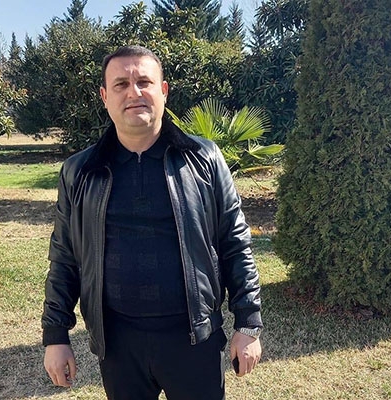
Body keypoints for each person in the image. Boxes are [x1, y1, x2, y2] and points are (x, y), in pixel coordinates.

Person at [42, 45, 263, 400]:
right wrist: (56, 337)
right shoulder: (79, 172)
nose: (134, 92)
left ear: (163, 90)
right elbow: (65, 257)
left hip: (194, 339)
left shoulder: (204, 159)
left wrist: (248, 323)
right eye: (121, 84)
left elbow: (235, 242)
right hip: (117, 344)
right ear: (105, 96)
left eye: (144, 82)